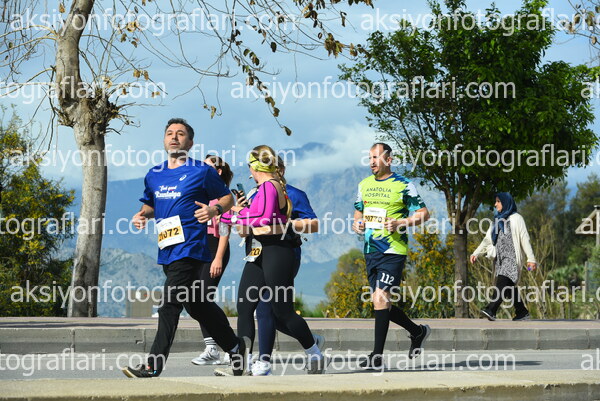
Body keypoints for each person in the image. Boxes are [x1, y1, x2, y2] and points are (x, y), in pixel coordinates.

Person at [122, 118, 249, 378]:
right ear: (164, 140)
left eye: (180, 134)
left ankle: (153, 366)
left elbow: (227, 197)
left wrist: (214, 209)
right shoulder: (154, 174)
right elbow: (150, 204)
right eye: (169, 133)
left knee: (169, 304)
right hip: (167, 247)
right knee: (197, 305)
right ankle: (235, 347)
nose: (174, 137)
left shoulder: (201, 171)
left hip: (191, 246)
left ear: (190, 143)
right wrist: (142, 215)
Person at [216, 145, 327, 375]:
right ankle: (242, 365)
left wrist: (237, 216)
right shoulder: (256, 191)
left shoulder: (278, 188)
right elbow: (247, 229)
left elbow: (270, 219)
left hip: (280, 251)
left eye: (250, 166)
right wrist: (235, 215)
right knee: (245, 306)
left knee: (280, 311)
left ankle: (313, 351)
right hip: (257, 253)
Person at [352, 142, 431, 370]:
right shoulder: (364, 184)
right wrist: (357, 223)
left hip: (393, 250)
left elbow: (423, 213)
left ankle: (376, 357)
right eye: (369, 158)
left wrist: (401, 222)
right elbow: (358, 211)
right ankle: (417, 331)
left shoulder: (404, 185)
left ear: (388, 159)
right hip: (371, 249)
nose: (371, 162)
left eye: (375, 157)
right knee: (381, 303)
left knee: (380, 297)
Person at [252, 156, 322, 376]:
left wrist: (286, 224)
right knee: (270, 311)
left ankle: (264, 362)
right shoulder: (257, 193)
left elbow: (314, 224)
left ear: (281, 170)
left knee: (268, 307)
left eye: (273, 167)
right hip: (258, 256)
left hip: (285, 255)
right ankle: (311, 342)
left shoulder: (294, 194)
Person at [191, 155, 234, 366]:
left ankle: (229, 345)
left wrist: (218, 258)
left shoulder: (223, 198)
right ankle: (212, 348)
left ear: (217, 172)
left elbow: (225, 231)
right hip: (199, 249)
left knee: (204, 298)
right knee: (196, 299)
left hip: (216, 249)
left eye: (207, 167)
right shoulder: (201, 194)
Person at [470, 192, 537, 321]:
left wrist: (531, 259)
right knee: (508, 286)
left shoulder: (517, 219)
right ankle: (522, 312)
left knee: (502, 282)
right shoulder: (496, 220)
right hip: (499, 259)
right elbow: (487, 240)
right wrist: (476, 253)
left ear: (506, 202)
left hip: (512, 259)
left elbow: (525, 239)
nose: (495, 204)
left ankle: (491, 309)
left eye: (498, 201)